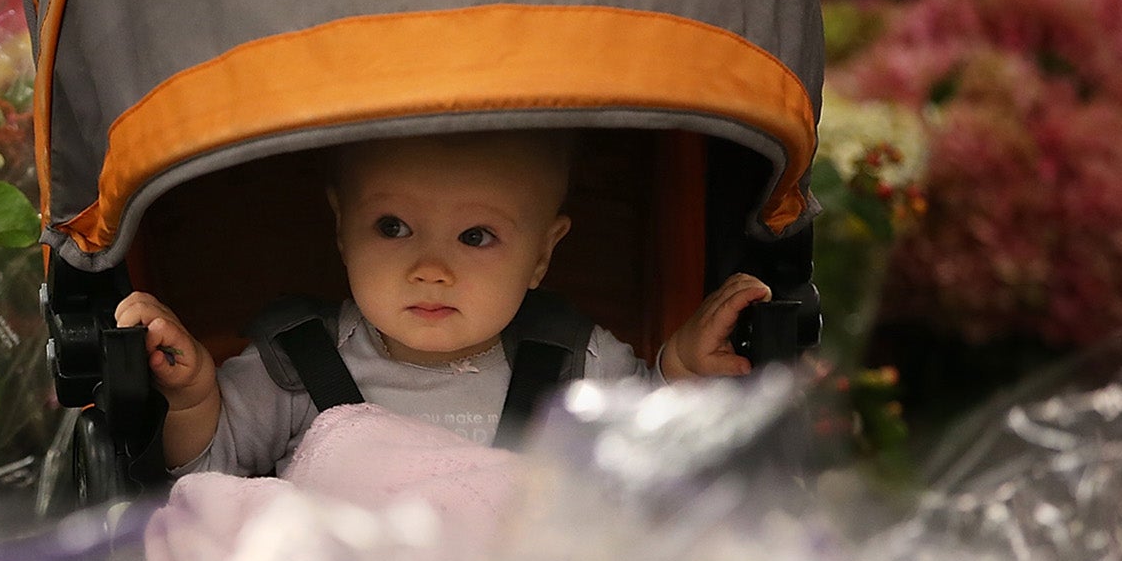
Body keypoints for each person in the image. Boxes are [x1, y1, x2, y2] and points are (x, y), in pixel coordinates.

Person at [113, 130, 772, 475]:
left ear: (542, 253)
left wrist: (678, 375)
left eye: (476, 237)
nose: (430, 269)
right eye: (393, 228)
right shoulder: (295, 365)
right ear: (341, 227)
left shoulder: (578, 365)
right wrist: (196, 402)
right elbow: (207, 473)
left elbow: (647, 451)